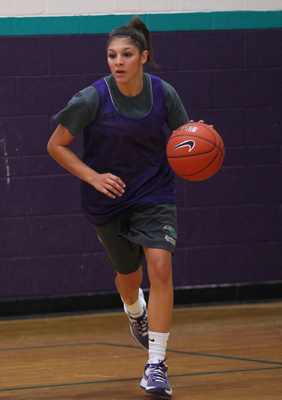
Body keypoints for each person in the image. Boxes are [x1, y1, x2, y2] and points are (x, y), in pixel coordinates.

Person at [47, 15, 189, 398]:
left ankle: (156, 365)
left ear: (143, 57)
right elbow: (55, 145)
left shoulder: (164, 94)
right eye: (112, 55)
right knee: (128, 276)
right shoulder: (92, 97)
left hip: (155, 193)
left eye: (126, 54)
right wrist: (93, 176)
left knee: (160, 267)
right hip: (107, 197)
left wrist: (196, 140)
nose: (118, 61)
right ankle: (135, 311)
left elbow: (184, 139)